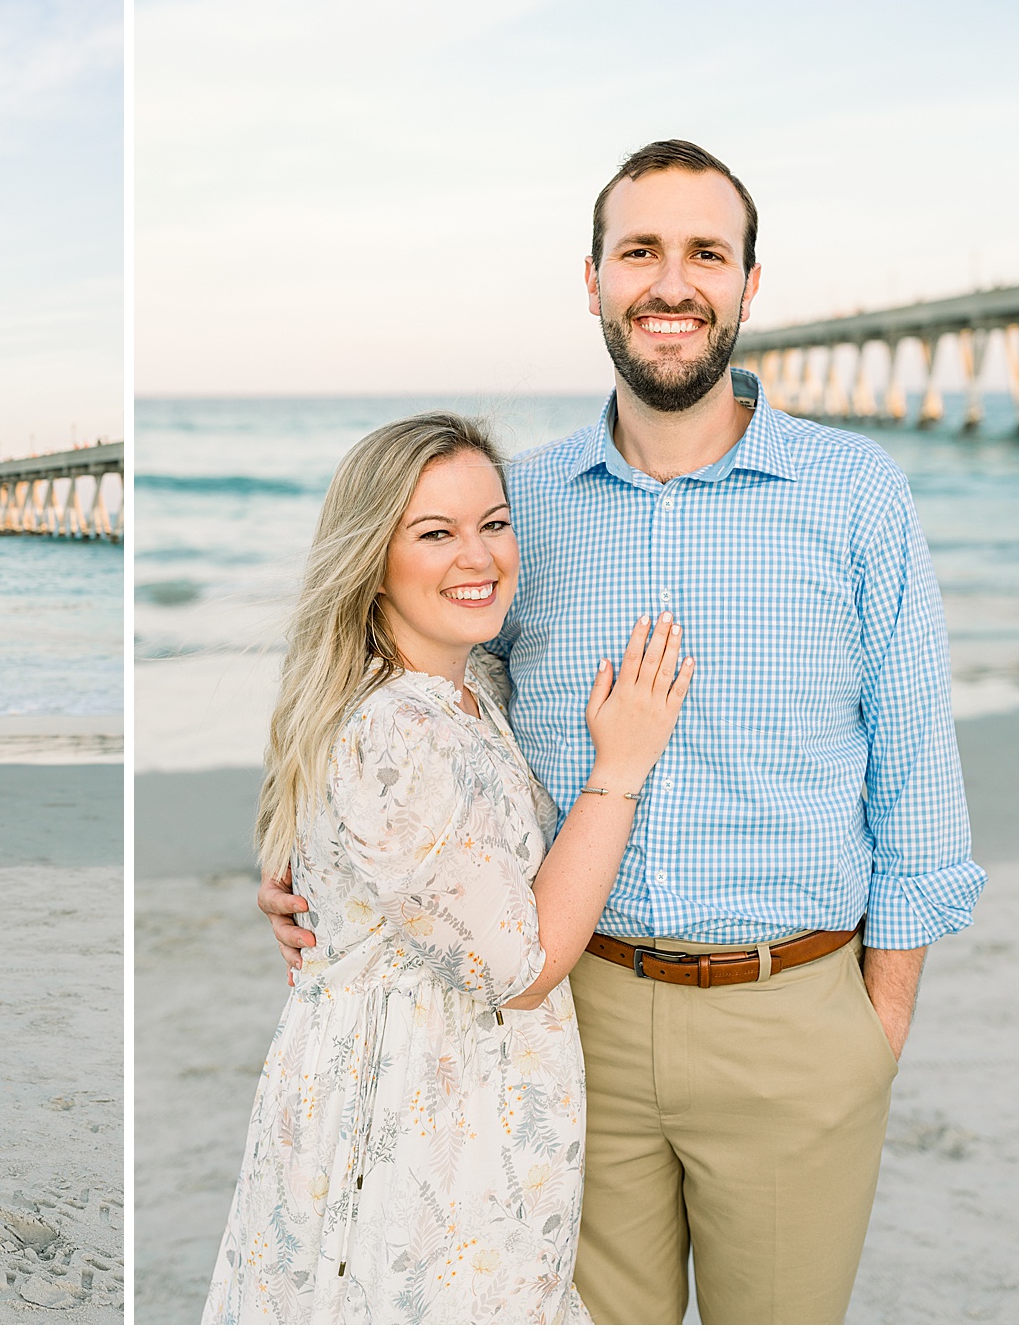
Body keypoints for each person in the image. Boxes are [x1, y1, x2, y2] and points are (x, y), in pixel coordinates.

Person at [260, 139, 986, 1323]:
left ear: (750, 282)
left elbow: (918, 779)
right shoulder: (518, 509)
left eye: (707, 253)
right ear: (593, 278)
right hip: (565, 1023)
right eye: (640, 251)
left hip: (794, 1017)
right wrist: (313, 861)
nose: (672, 283)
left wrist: (876, 1026)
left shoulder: (856, 494)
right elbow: (420, 710)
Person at [207, 413, 693, 1323]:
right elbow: (523, 968)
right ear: (372, 559)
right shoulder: (399, 731)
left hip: (450, 1096)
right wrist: (622, 766)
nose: (479, 556)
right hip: (416, 1123)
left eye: (494, 523)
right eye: (435, 533)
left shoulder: (469, 692)